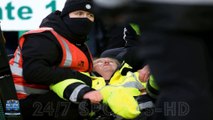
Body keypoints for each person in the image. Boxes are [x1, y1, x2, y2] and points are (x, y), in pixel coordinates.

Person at [93, 0, 213, 120]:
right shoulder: (103, 86)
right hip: (176, 19)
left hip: (166, 18)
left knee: (182, 91)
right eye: (98, 63)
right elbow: (131, 47)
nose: (104, 62)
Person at [9, 0, 102, 119]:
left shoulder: (78, 43)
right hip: (20, 100)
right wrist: (79, 77)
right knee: (80, 107)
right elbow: (34, 73)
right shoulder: (44, 37)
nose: (85, 19)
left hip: (53, 94)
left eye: (90, 15)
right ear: (65, 16)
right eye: (79, 13)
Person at [51, 57, 154, 119]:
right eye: (99, 62)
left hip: (144, 114)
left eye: (111, 61)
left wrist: (154, 68)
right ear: (91, 67)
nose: (105, 62)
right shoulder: (84, 78)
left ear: (119, 66)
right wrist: (84, 92)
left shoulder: (133, 76)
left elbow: (161, 81)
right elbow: (59, 82)